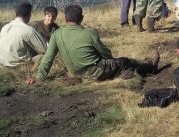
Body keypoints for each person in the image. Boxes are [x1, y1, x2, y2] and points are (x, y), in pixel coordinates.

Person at [25, 5, 160, 84]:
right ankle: (150, 66)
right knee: (126, 61)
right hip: (95, 72)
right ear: (81, 19)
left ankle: (124, 73)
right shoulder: (89, 33)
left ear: (66, 19)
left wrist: (39, 77)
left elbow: (48, 58)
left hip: (75, 72)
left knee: (120, 65)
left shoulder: (56, 34)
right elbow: (106, 54)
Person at [0, 1, 47, 67]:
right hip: (18, 65)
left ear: (15, 14)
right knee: (45, 56)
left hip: (1, 62)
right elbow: (45, 49)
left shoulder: (5, 27)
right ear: (29, 15)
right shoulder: (28, 30)